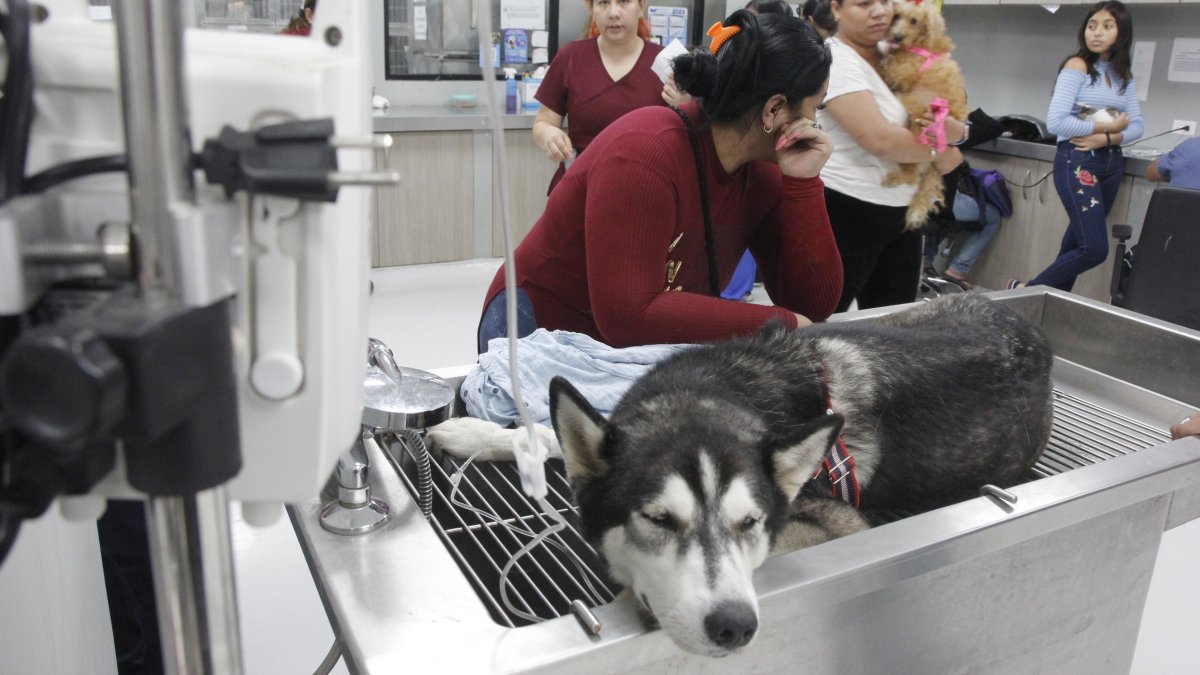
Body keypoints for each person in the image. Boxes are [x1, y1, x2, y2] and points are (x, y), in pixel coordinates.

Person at [477, 11, 842, 351]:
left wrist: (804, 186)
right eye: (816, 107)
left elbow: (811, 305)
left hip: (627, 345)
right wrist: (779, 324)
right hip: (539, 329)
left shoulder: (763, 170)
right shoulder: (644, 152)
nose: (815, 123)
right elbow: (627, 314)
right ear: (774, 109)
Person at [817, 0, 966, 312]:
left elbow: (946, 110)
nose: (879, 11)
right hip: (846, 207)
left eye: (885, 1)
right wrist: (946, 140)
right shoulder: (835, 58)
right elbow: (880, 140)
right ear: (837, 9)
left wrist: (957, 131)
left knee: (892, 321)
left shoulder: (897, 54)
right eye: (864, 3)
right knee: (824, 317)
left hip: (901, 209)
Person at [1008, 1, 1143, 291]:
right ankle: (1025, 291)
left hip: (1110, 164)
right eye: (1092, 25)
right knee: (1094, 249)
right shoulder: (1077, 66)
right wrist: (1109, 127)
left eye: (1107, 26)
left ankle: (1046, 308)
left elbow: (1138, 127)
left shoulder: (1124, 75)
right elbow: (1057, 123)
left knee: (1075, 243)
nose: (1096, 33)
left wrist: (1107, 139)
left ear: (1122, 33)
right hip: (1078, 161)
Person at [533, 0, 664, 194]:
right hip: (580, 190)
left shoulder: (668, 62)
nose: (613, 13)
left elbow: (693, 132)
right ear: (591, 9)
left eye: (624, 2)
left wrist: (685, 103)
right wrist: (549, 135)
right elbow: (543, 123)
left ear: (641, 5)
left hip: (645, 192)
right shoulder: (570, 57)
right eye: (603, 3)